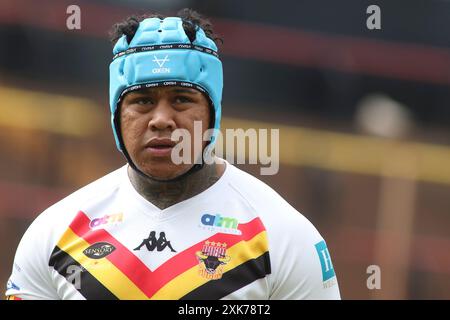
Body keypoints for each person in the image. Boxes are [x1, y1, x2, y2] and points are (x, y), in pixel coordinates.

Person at [5, 8, 340, 300]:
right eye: (142, 100)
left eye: (181, 99)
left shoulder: (284, 237)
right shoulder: (54, 235)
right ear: (116, 115)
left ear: (212, 112)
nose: (162, 119)